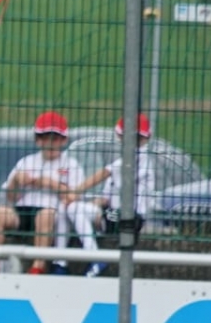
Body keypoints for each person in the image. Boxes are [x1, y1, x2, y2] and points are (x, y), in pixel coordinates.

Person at [0, 111, 82, 273]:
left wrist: (49, 183)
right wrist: (15, 181)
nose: (49, 143)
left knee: (46, 215)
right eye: (44, 138)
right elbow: (11, 197)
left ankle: (38, 266)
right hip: (24, 210)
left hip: (52, 213)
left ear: (64, 140)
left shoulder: (72, 164)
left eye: (54, 138)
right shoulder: (26, 161)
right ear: (37, 140)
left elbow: (74, 197)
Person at [63, 115, 155, 277]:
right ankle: (93, 257)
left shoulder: (140, 158)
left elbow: (103, 173)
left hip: (132, 219)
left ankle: (95, 258)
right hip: (114, 215)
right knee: (74, 209)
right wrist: (84, 201)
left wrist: (74, 192)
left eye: (137, 138)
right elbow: (104, 199)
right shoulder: (124, 160)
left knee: (75, 209)